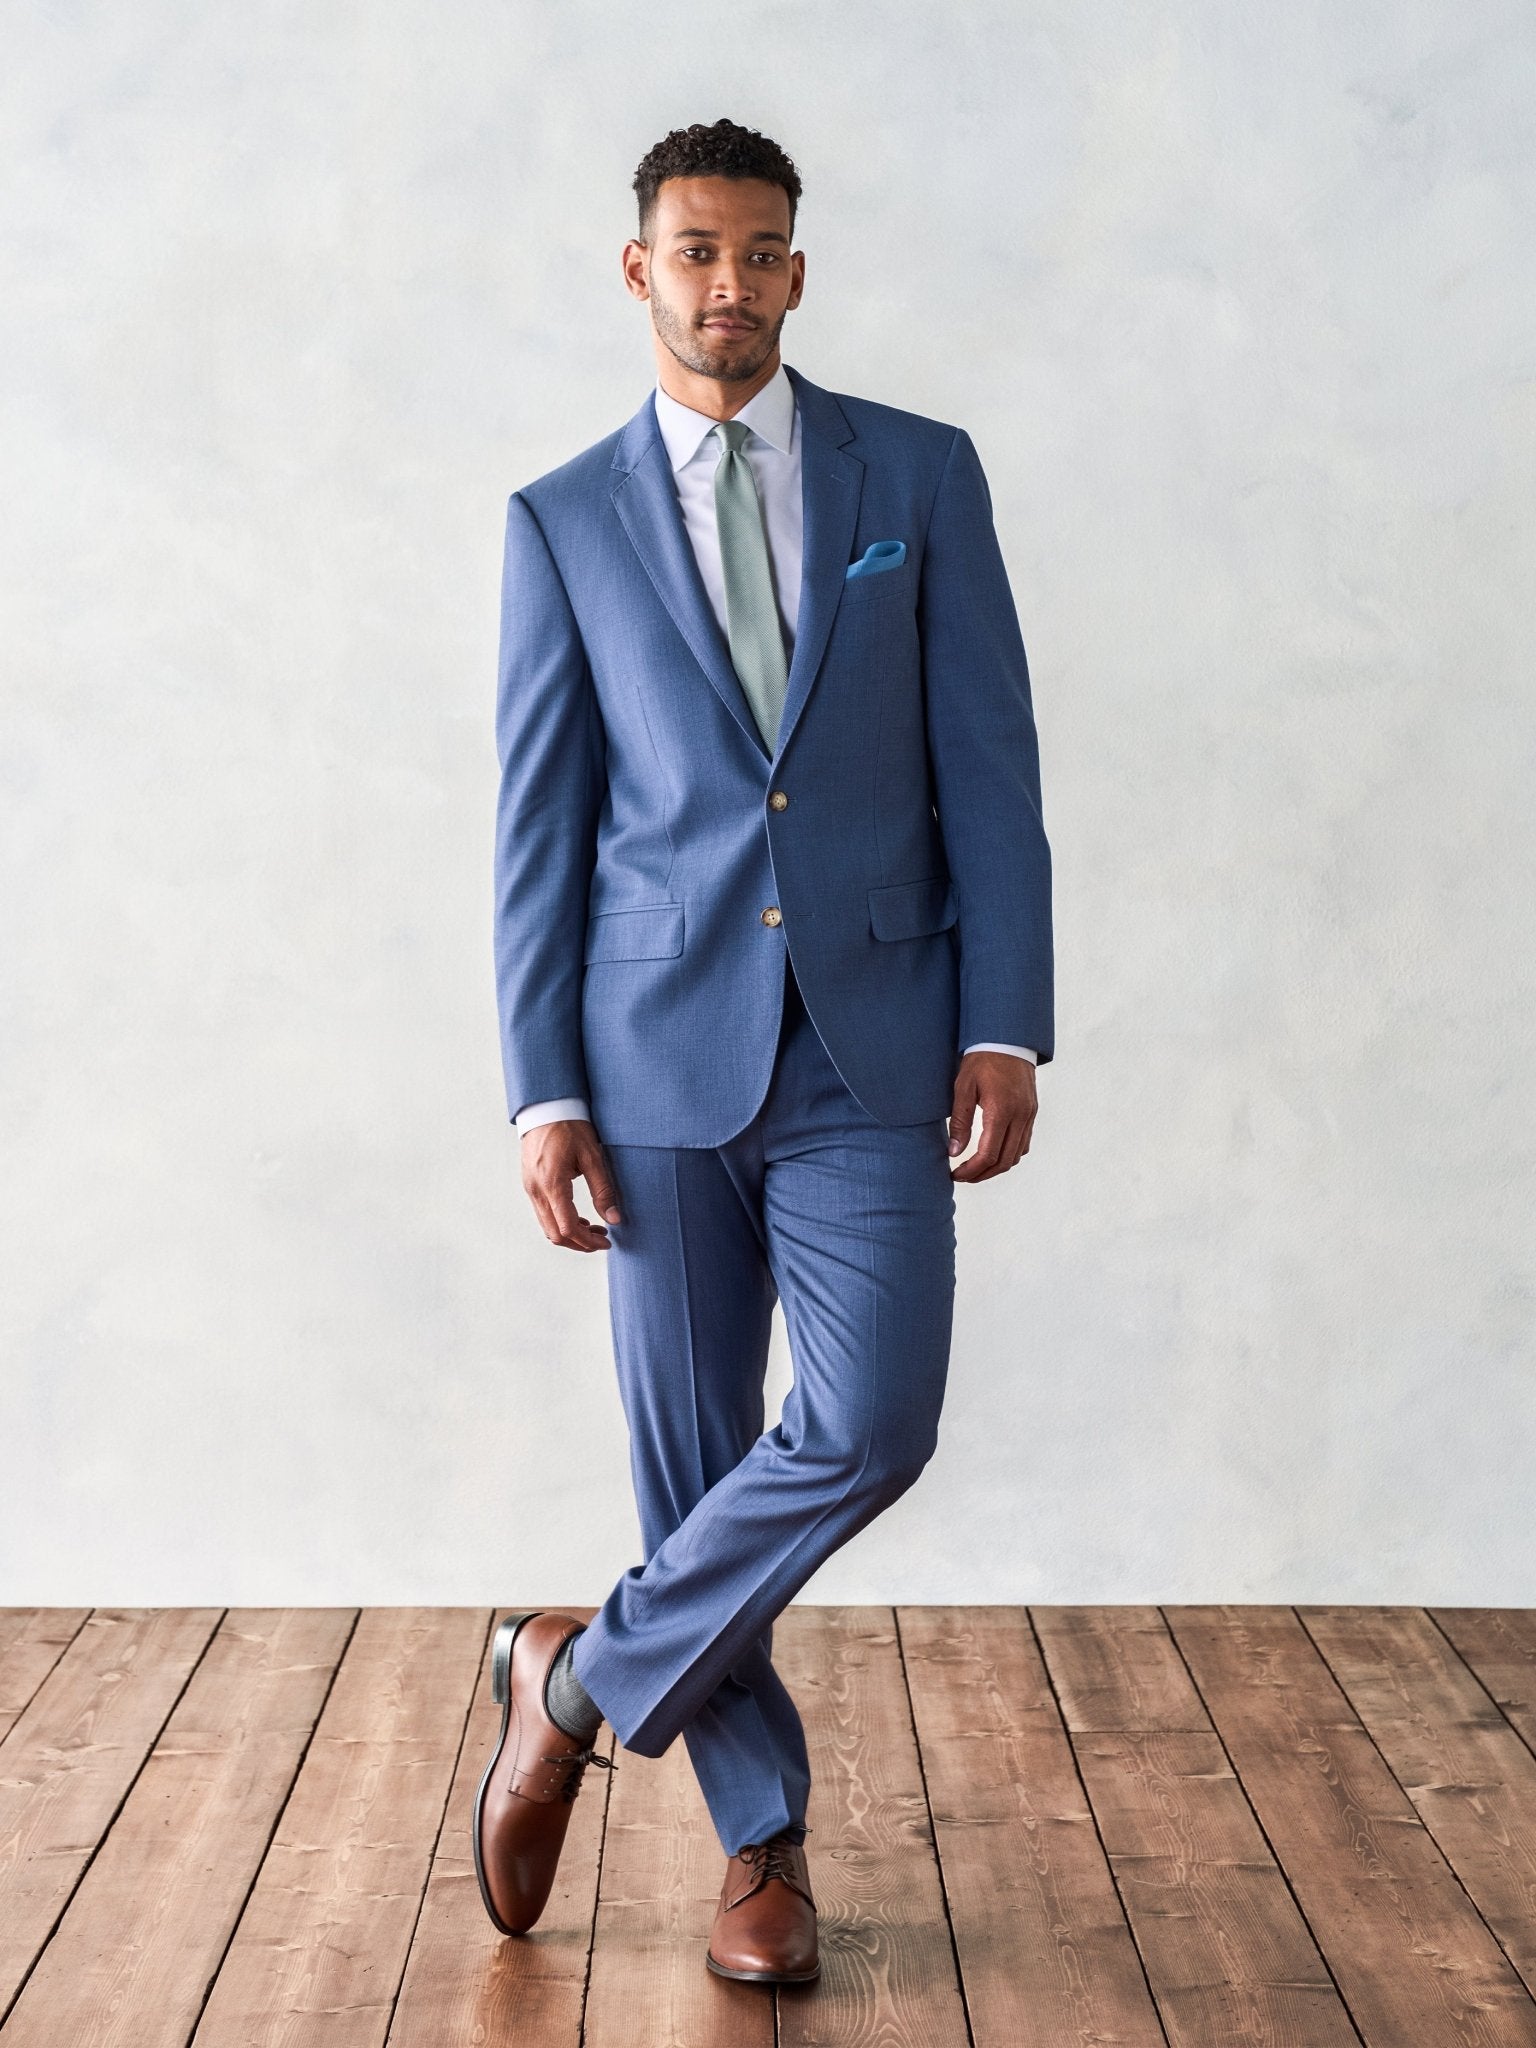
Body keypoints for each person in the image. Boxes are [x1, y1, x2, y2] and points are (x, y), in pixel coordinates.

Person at [478, 117, 1053, 1986]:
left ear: (798, 271)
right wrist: (544, 1086)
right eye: (696, 251)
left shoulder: (920, 475)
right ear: (638, 270)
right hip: (649, 1054)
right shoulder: (561, 520)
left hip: (876, 1040)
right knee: (692, 1458)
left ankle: (576, 1679)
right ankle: (761, 1849)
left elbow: (990, 763)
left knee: (871, 1420)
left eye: (760, 252)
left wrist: (1006, 1014)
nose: (729, 284)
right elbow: (540, 826)